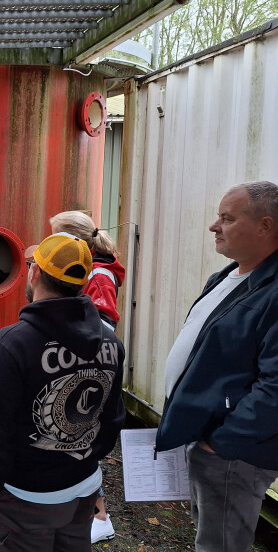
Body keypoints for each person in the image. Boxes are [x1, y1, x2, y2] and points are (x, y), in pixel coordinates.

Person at [0, 232, 126, 551]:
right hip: (84, 486)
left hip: (25, 497)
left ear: (35, 273)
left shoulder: (10, 345)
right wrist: (81, 461)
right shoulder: (112, 343)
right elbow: (112, 419)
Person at [156, 181, 278, 552]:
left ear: (265, 226)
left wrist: (222, 443)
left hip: (233, 454)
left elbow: (275, 388)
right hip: (208, 441)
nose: (214, 226)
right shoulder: (228, 276)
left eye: (226, 218)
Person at [50, 210, 126, 542]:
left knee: (82, 440)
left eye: (56, 236)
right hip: (79, 365)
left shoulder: (99, 275)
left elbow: (105, 322)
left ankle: (100, 518)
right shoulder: (91, 268)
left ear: (74, 240)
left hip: (87, 370)